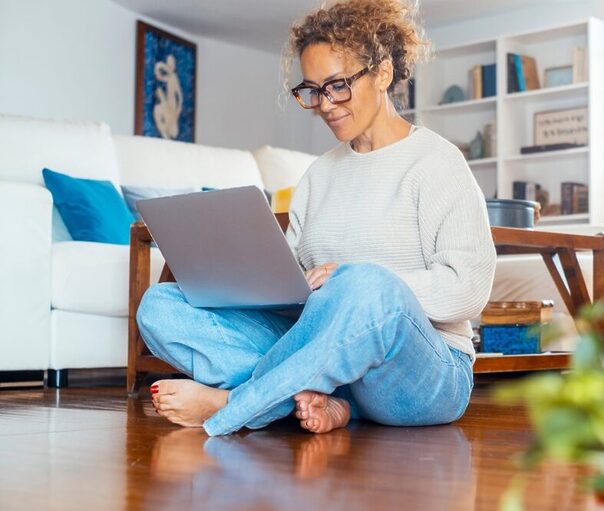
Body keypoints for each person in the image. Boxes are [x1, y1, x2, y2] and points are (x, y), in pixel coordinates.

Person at [137, 0, 496, 437]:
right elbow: (300, 294)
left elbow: (467, 292)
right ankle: (325, 403)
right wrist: (263, 283)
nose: (325, 104)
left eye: (338, 85)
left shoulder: (437, 162)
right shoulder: (318, 174)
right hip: (332, 364)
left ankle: (237, 405)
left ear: (382, 72)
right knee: (161, 306)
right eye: (312, 90)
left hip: (424, 372)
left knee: (365, 286)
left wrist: (353, 280)